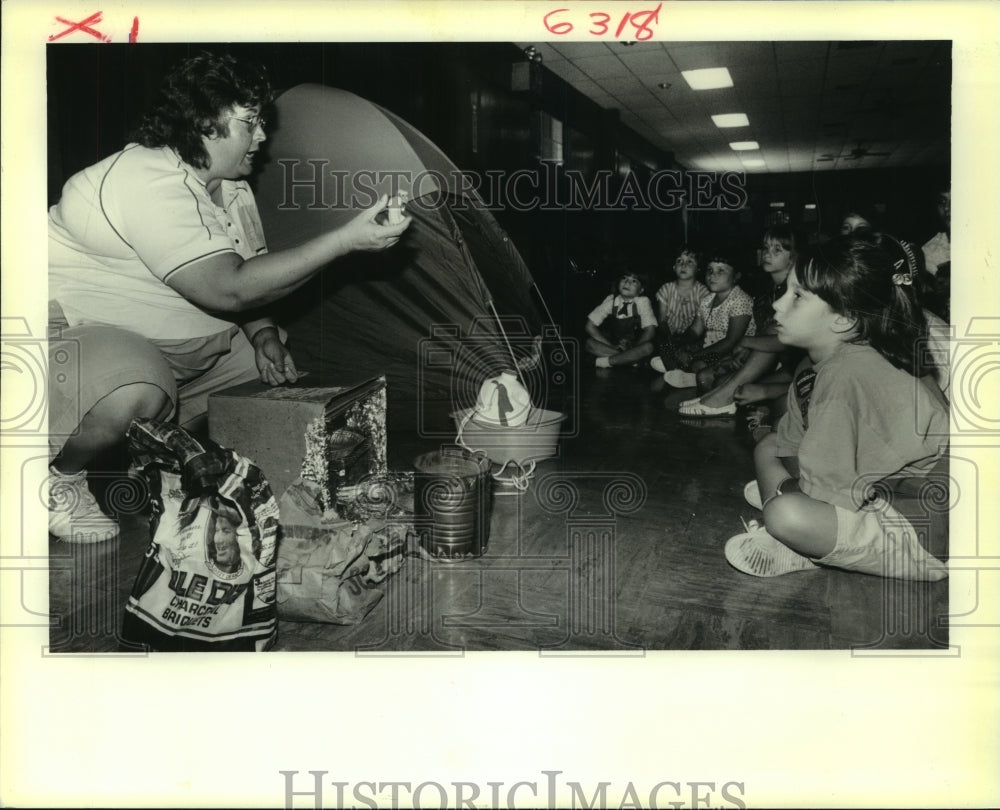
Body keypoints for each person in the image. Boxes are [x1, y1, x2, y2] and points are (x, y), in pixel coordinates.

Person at [47, 52, 411, 544]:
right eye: (249, 122)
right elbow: (229, 286)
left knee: (276, 390)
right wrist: (346, 240)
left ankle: (150, 460)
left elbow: (251, 276)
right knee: (133, 393)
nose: (262, 135)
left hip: (177, 348)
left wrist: (262, 334)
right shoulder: (145, 179)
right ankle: (58, 478)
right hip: (78, 341)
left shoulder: (230, 189)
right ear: (201, 123)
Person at [724, 232, 949, 581]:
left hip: (928, 526)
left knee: (786, 514)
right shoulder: (821, 362)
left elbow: (825, 487)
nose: (777, 305)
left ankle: (803, 546)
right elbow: (790, 443)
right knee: (769, 446)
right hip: (877, 490)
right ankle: (809, 537)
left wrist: (786, 491)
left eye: (797, 296)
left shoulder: (849, 374)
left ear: (843, 319)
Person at [679, 226, 804, 418]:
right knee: (707, 377)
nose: (767, 253)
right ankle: (716, 399)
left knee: (718, 378)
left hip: (793, 363)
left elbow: (783, 338)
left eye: (777, 249)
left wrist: (743, 342)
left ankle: (720, 400)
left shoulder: (798, 291)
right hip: (772, 360)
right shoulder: (765, 290)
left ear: (794, 256)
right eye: (765, 247)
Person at [660, 249, 755, 392]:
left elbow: (731, 341)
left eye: (720, 271)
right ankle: (684, 369)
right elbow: (694, 331)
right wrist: (680, 344)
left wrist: (693, 355)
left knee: (699, 363)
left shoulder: (740, 300)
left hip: (731, 352)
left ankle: (690, 375)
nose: (712, 275)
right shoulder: (707, 300)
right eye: (709, 270)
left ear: (736, 276)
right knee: (666, 346)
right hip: (709, 349)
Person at [649, 245, 712, 375]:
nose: (683, 265)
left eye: (690, 261)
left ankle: (679, 367)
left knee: (699, 347)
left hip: (692, 337)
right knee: (663, 343)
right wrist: (671, 342)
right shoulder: (666, 289)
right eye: (679, 261)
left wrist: (682, 344)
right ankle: (676, 369)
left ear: (698, 268)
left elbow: (698, 328)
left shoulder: (703, 292)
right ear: (673, 267)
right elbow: (662, 321)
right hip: (670, 335)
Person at [585, 271, 657, 368]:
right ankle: (629, 361)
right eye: (624, 278)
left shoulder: (643, 302)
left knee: (648, 347)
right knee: (589, 343)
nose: (627, 283)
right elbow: (589, 326)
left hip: (634, 345)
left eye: (634, 281)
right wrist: (612, 346)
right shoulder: (611, 300)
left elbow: (650, 331)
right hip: (612, 345)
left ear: (641, 290)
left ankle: (606, 362)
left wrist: (633, 349)